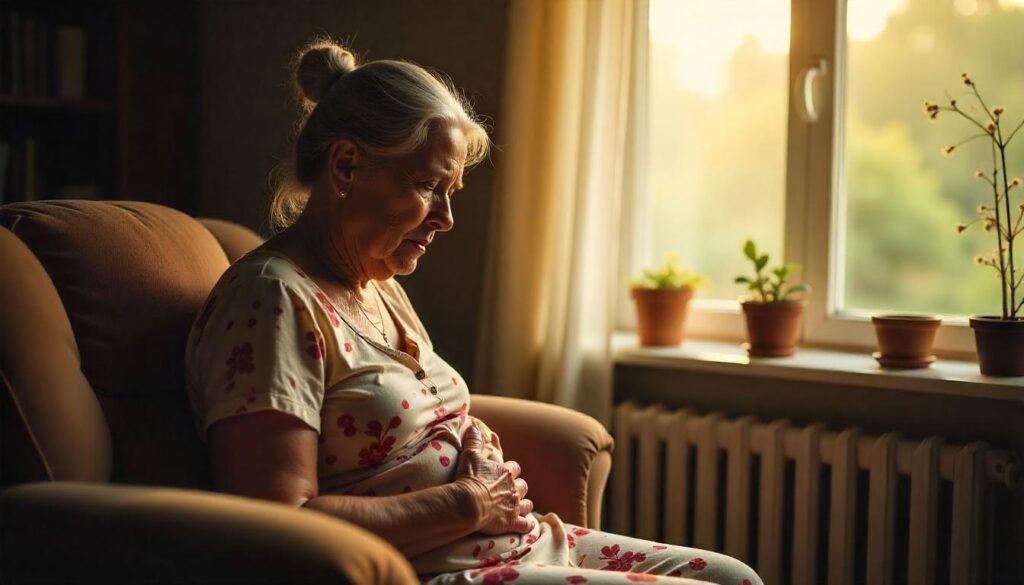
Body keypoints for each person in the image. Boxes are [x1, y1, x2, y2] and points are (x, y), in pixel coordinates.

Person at [185, 38, 762, 585]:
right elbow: (277, 524)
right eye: (427, 186)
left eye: (451, 191)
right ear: (345, 167)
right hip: (436, 571)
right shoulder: (273, 299)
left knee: (733, 576)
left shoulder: (378, 286)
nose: (446, 218)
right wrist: (470, 500)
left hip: (517, 545)